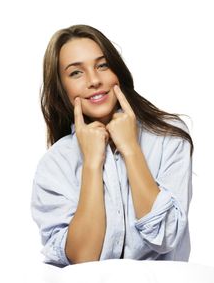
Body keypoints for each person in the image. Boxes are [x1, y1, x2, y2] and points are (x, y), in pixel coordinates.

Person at [31, 24, 193, 268]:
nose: (94, 80)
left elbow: (166, 236)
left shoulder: (168, 136)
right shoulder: (55, 164)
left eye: (102, 65)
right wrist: (92, 164)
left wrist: (130, 148)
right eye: (76, 73)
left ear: (117, 70)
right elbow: (83, 260)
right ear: (61, 89)